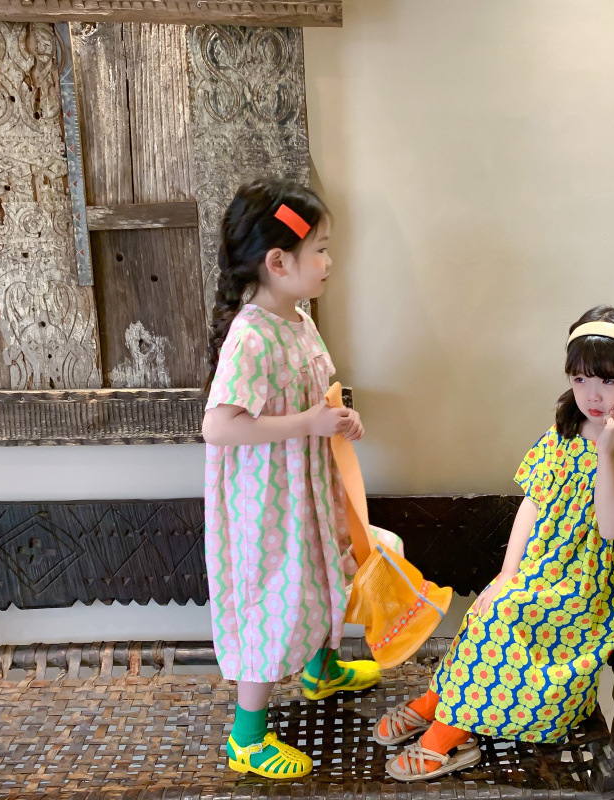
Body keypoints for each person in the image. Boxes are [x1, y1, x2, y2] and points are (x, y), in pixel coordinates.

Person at [374, 305, 614, 781]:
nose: (592, 394)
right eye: (580, 379)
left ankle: (450, 733)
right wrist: (508, 572)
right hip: (542, 569)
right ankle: (441, 700)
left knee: (508, 616)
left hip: (592, 589)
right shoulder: (562, 436)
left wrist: (607, 453)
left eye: (608, 380)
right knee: (490, 609)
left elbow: (611, 527)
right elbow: (533, 504)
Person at [202, 178, 380, 779]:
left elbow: (316, 389)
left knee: (321, 572)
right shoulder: (250, 336)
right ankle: (247, 738)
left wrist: (339, 415)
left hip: (306, 486)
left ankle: (321, 670)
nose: (330, 262)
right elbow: (219, 426)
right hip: (265, 503)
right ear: (278, 262)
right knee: (273, 597)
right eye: (321, 249)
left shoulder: (298, 320)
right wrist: (309, 422)